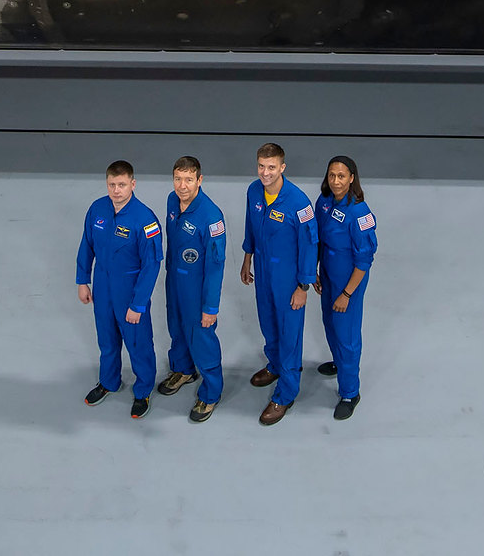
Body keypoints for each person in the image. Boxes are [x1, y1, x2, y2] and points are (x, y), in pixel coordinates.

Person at [77, 160, 163, 418]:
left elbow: (152, 266)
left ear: (133, 184)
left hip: (130, 289)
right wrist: (83, 280)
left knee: (138, 343)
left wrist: (138, 304)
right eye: (112, 185)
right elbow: (86, 246)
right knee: (107, 339)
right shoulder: (97, 210)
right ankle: (108, 381)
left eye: (122, 184)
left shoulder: (145, 220)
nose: (116, 190)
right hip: (102, 286)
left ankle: (143, 389)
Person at [239, 141, 317, 425]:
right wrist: (247, 258)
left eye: (271, 167)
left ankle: (285, 393)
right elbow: (251, 225)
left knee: (289, 333)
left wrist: (303, 286)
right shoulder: (253, 192)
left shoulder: (299, 203)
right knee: (268, 322)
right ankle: (274, 365)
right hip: (262, 268)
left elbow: (310, 245)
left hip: (288, 277)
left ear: (282, 167)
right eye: (261, 166)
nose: (265, 172)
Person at [156, 155, 227, 422]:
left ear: (199, 180)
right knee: (177, 328)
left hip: (198, 288)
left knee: (202, 336)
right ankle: (184, 370)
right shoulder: (172, 201)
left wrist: (210, 307)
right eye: (178, 178)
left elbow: (216, 267)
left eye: (188, 179)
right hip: (175, 280)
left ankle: (211, 392)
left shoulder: (211, 217)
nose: (182, 185)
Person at [314, 154, 379, 420]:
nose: (336, 181)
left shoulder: (360, 213)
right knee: (329, 323)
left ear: (352, 178)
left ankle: (351, 392)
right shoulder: (324, 202)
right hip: (328, 276)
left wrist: (347, 293)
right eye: (332, 175)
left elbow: (364, 260)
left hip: (348, 282)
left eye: (342, 176)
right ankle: (340, 363)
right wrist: (315, 271)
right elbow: (318, 239)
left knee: (347, 335)